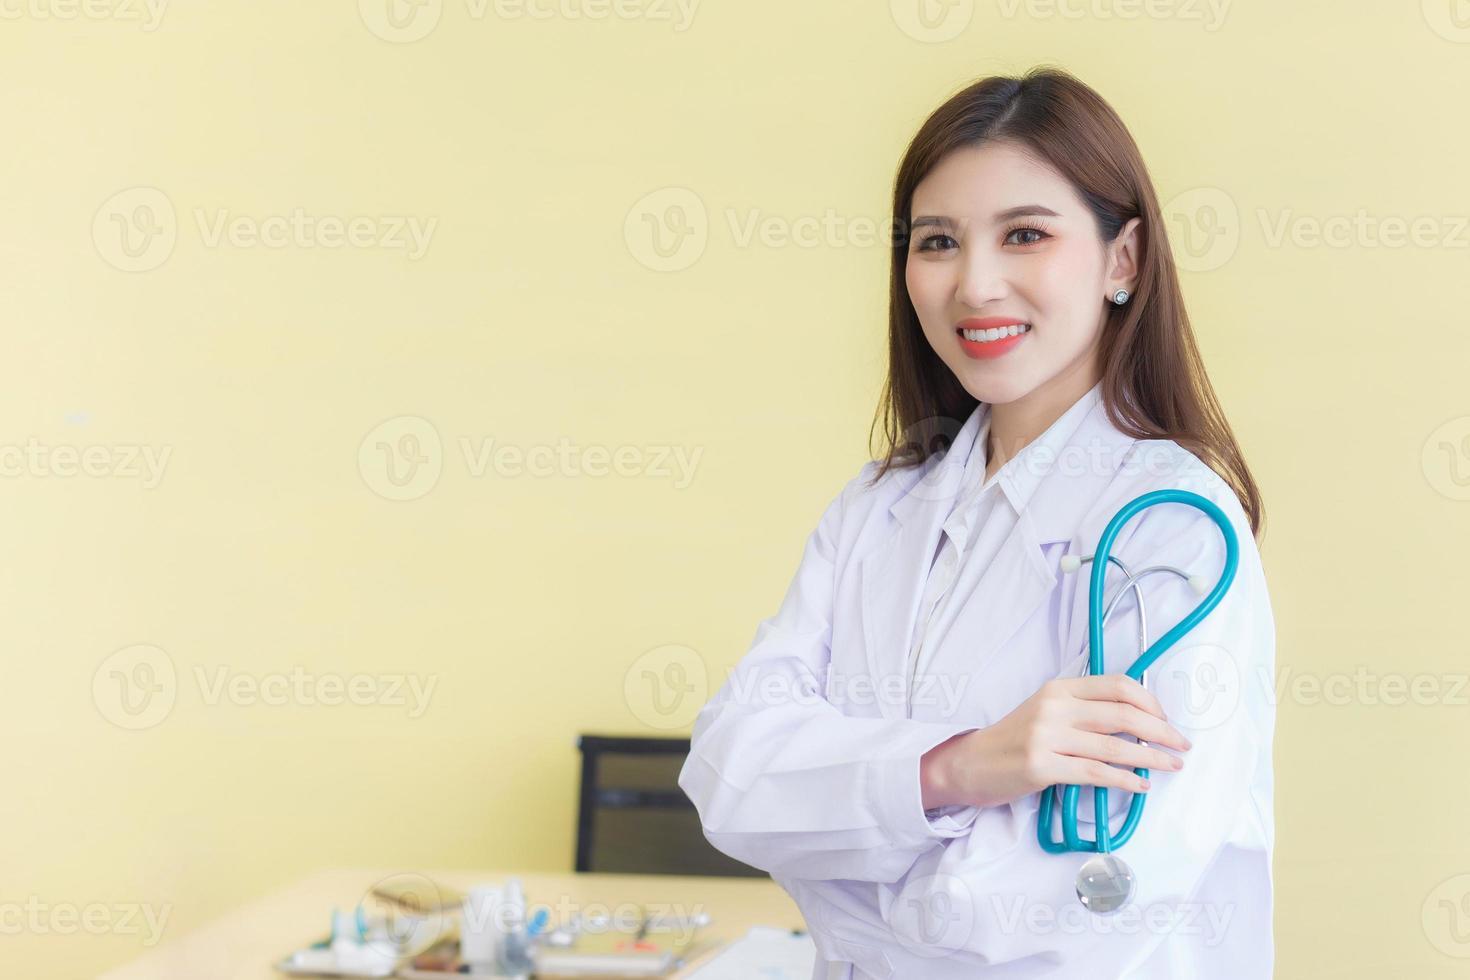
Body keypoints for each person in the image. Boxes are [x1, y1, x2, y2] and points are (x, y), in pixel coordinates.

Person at [677, 65, 1275, 979]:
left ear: (1124, 259)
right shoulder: (879, 508)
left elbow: (1099, 893)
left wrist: (844, 861)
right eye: (938, 242)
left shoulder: (1175, 528)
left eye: (1025, 234)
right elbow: (728, 776)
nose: (975, 285)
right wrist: (957, 768)